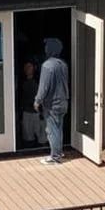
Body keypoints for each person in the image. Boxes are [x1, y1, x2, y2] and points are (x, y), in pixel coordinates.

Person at [32, 36, 69, 164]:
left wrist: (37, 101)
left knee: (52, 130)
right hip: (63, 101)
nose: (45, 49)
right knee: (58, 129)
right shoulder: (63, 64)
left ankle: (55, 157)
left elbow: (44, 86)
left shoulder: (47, 66)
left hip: (52, 104)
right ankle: (58, 152)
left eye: (47, 46)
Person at [17, 60, 43, 149]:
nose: (27, 69)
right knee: (28, 138)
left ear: (34, 68)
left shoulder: (39, 81)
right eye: (26, 67)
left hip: (38, 112)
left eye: (29, 66)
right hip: (26, 112)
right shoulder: (21, 82)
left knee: (42, 137)